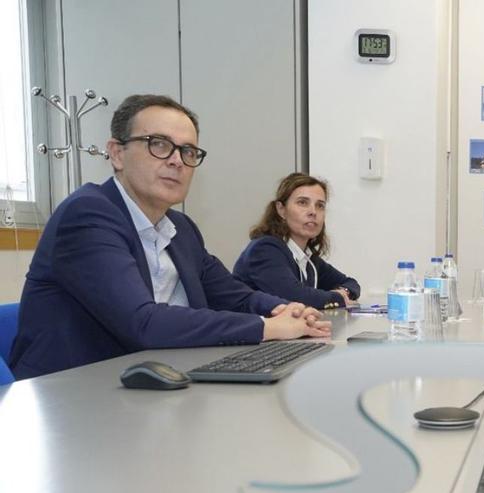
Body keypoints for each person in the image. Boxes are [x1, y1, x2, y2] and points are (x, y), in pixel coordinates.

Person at [9, 94, 329, 380]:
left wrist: (285, 310)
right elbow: (143, 323)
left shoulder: (181, 228)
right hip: (68, 397)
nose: (177, 160)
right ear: (117, 153)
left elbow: (235, 294)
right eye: (158, 144)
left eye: (188, 150)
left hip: (150, 384)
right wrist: (266, 328)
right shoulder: (87, 215)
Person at [233, 172, 360, 309]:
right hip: (252, 329)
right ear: (281, 210)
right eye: (303, 203)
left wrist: (344, 292)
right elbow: (295, 297)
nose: (313, 212)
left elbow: (351, 284)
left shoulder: (306, 257)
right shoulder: (264, 249)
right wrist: (337, 297)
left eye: (320, 205)